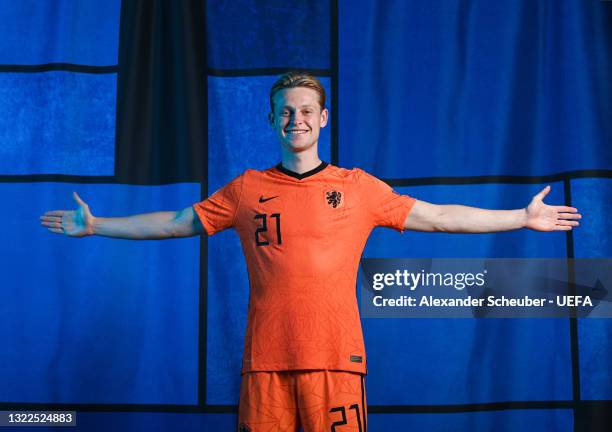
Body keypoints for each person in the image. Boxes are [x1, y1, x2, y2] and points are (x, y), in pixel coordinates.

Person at [40, 72, 581, 432]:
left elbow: (438, 216)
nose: (295, 118)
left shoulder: (359, 187)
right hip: (265, 366)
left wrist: (520, 217)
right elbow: (179, 222)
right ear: (271, 120)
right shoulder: (246, 188)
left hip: (336, 363)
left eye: (306, 110)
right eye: (284, 111)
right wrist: (98, 226)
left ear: (324, 119)